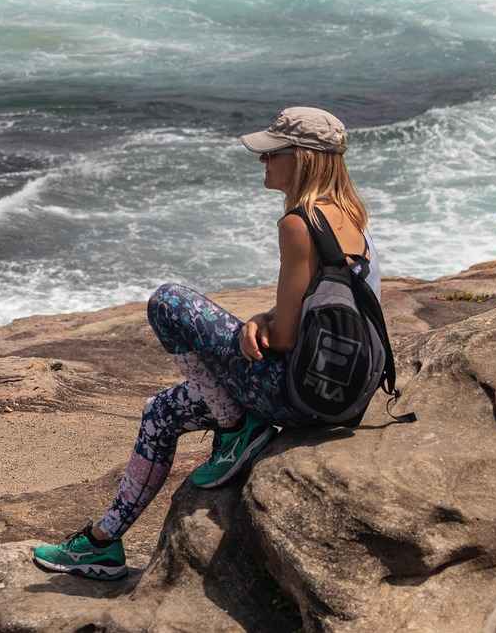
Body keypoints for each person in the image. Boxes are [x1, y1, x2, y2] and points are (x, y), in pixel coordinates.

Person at [31, 107, 381, 581]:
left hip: (290, 393)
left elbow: (285, 337)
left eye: (271, 154)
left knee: (168, 302)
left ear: (301, 158)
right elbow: (324, 305)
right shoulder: (351, 215)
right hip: (337, 397)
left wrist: (255, 330)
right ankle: (102, 543)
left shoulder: (298, 224)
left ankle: (236, 427)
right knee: (162, 412)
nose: (263, 163)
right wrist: (262, 317)